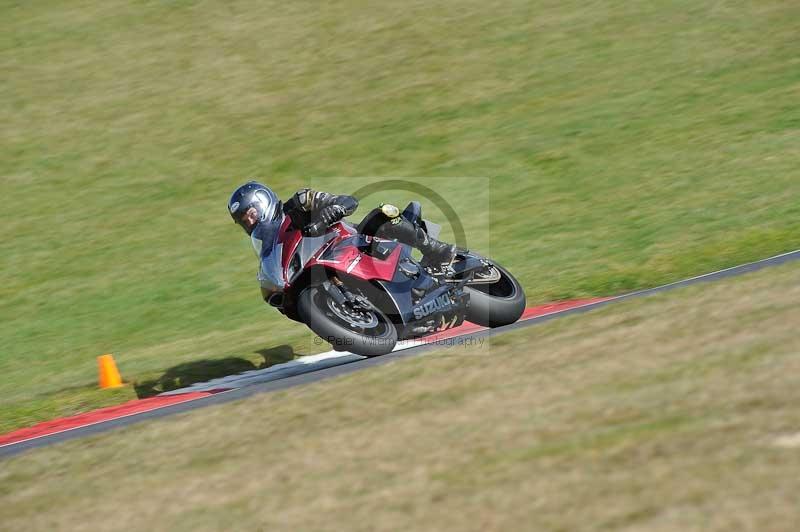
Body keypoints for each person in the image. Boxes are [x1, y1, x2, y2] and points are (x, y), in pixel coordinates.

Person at [228, 181, 456, 267]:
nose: (249, 221)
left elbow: (348, 201)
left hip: (357, 241)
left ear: (262, 202)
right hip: (323, 268)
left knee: (384, 213)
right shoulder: (268, 245)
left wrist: (329, 214)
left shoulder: (299, 203)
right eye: (243, 221)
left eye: (250, 213)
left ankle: (435, 249)